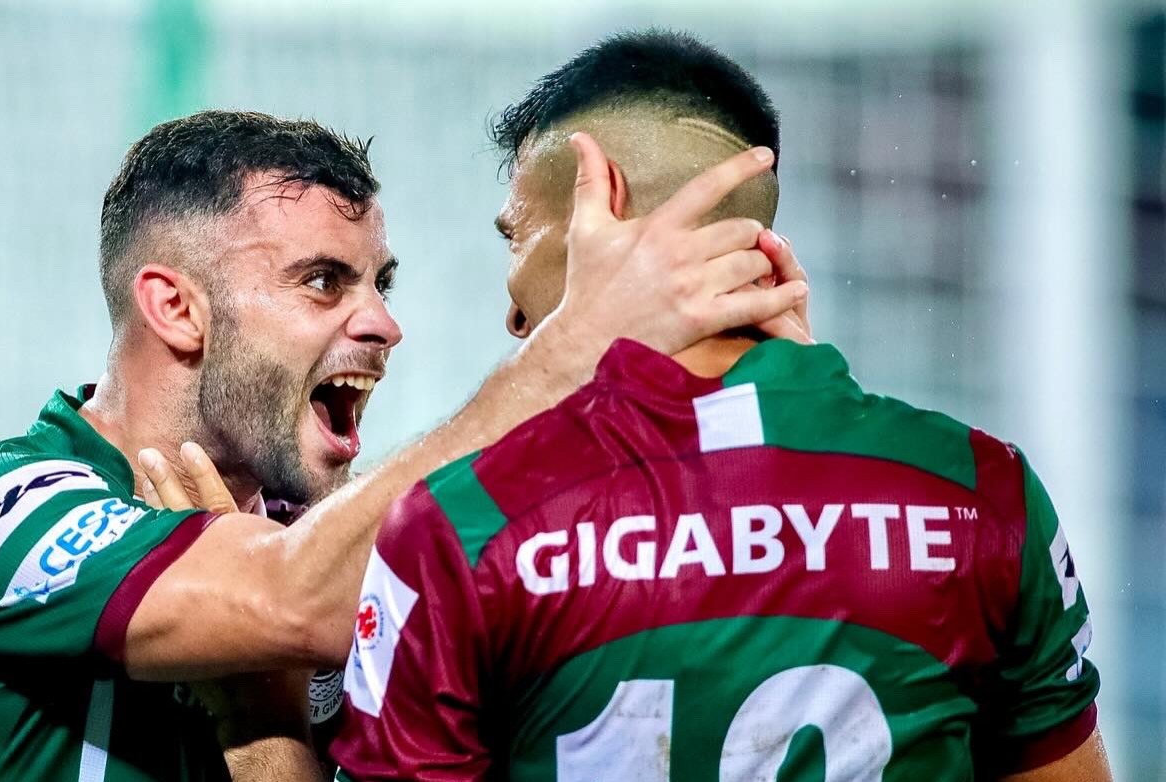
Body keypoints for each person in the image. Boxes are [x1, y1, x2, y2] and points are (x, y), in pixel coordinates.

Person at [0, 107, 808, 780]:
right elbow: (291, 597)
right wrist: (575, 350)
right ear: (177, 308)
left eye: (378, 282)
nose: (384, 324)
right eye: (323, 281)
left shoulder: (325, 541)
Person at [328, 30, 1111, 781]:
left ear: (602, 207)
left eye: (517, 239)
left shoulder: (460, 529)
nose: (513, 315)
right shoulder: (981, 494)